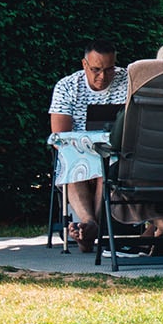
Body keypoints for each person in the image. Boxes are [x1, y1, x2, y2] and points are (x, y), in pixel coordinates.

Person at [47, 42, 126, 244]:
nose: (103, 76)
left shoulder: (127, 81)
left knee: (107, 163)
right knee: (71, 158)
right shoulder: (67, 86)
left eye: (109, 69)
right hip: (78, 153)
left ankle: (90, 227)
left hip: (113, 152)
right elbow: (60, 137)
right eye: (96, 69)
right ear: (84, 64)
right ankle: (91, 224)